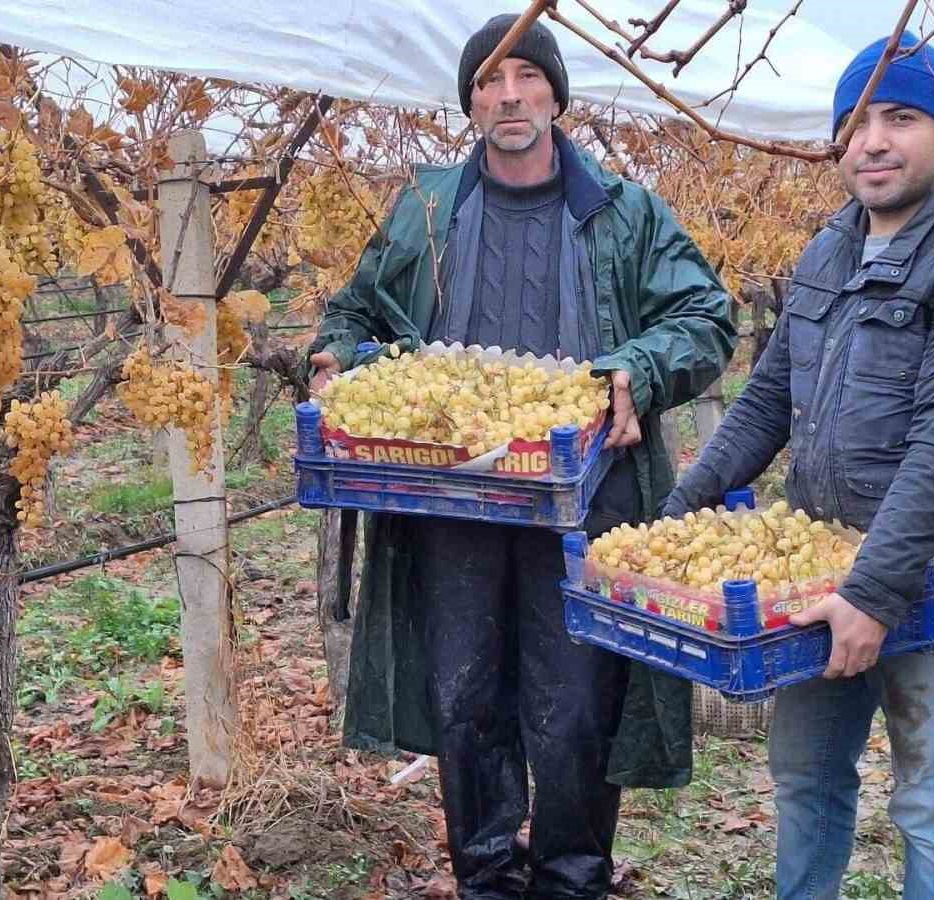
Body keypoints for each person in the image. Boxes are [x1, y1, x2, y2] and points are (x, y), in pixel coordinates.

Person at [306, 14, 737, 898]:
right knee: (466, 702)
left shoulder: (625, 214)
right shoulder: (428, 208)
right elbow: (353, 316)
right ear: (469, 105)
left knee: (575, 708)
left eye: (526, 78)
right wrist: (334, 358)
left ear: (555, 95)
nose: (508, 96)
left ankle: (572, 881)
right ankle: (487, 879)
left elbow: (706, 319)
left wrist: (640, 370)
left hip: (584, 501)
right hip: (453, 503)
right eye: (488, 84)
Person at [662, 33, 934, 900]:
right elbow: (765, 401)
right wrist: (683, 509)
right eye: (856, 121)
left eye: (900, 117)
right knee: (805, 782)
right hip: (820, 570)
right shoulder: (830, 246)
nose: (872, 140)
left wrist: (872, 593)